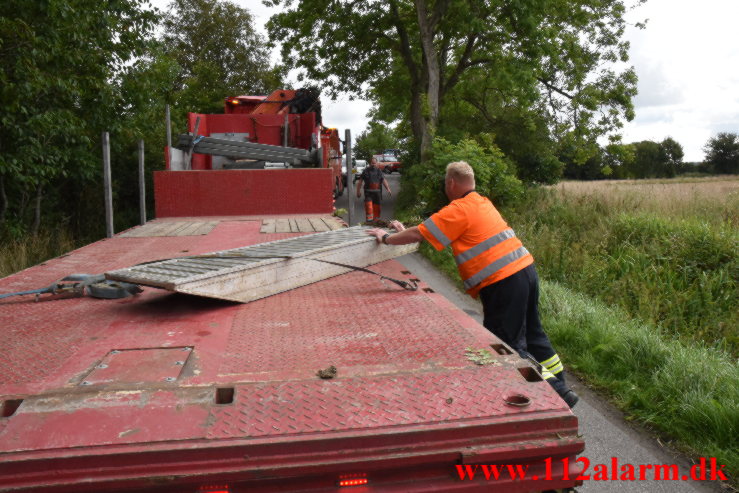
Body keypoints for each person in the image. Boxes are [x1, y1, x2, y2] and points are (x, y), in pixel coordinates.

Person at [367, 161, 579, 408]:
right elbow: (426, 230)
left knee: (508, 345)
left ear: (451, 183)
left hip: (503, 282)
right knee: (534, 333)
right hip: (525, 271)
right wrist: (405, 231)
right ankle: (559, 378)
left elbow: (420, 234)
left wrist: (387, 238)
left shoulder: (459, 209)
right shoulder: (482, 202)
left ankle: (558, 392)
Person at [356, 157, 392, 223]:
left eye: (374, 163)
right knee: (369, 207)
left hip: (377, 193)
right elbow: (360, 182)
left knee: (377, 208)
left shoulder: (379, 171)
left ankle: (376, 221)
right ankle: (369, 221)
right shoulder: (365, 171)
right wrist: (358, 191)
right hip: (368, 193)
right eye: (372, 163)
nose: (373, 164)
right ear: (370, 163)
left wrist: (388, 189)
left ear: (376, 163)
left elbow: (383, 180)